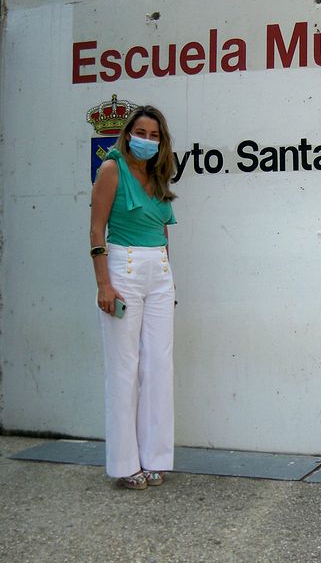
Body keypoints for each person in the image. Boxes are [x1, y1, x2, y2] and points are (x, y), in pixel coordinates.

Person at [90, 105, 178, 490]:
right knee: (124, 368)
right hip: (122, 267)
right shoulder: (112, 169)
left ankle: (155, 457)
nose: (147, 140)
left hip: (159, 272)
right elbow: (96, 230)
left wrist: (168, 276)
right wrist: (103, 284)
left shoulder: (158, 175)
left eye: (154, 136)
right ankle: (125, 464)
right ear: (128, 133)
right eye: (141, 133)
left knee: (159, 365)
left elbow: (163, 229)